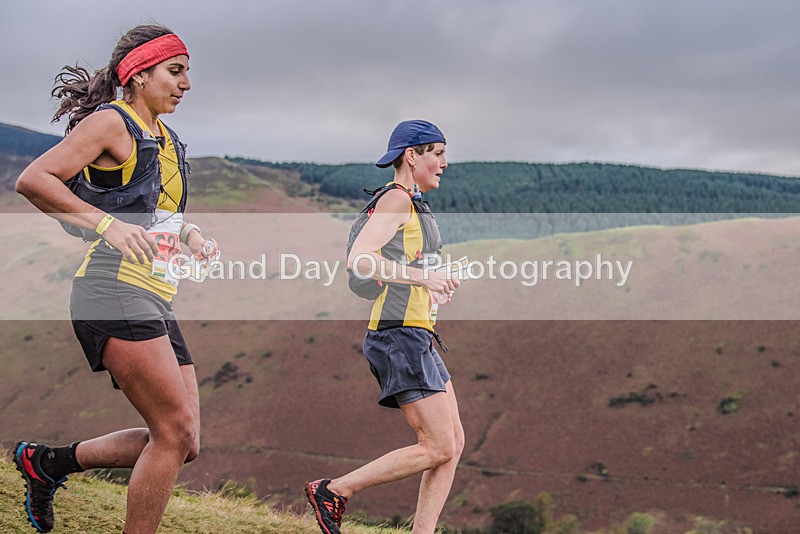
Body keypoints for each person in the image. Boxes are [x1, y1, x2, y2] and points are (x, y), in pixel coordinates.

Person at [13, 24, 211, 534]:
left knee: (185, 441)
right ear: (138, 75)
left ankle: (49, 463)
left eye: (187, 71)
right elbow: (33, 179)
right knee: (173, 431)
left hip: (153, 294)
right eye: (175, 71)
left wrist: (190, 235)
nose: (186, 83)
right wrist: (107, 226)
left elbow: (148, 210)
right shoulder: (112, 123)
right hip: (111, 288)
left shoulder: (165, 139)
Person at [305, 120, 464, 534]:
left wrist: (435, 280)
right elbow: (360, 258)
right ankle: (335, 490)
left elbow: (404, 264)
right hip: (398, 337)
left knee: (452, 446)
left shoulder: (412, 203)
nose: (445, 163)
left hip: (418, 334)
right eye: (438, 153)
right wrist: (423, 279)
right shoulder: (396, 199)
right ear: (411, 155)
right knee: (438, 445)